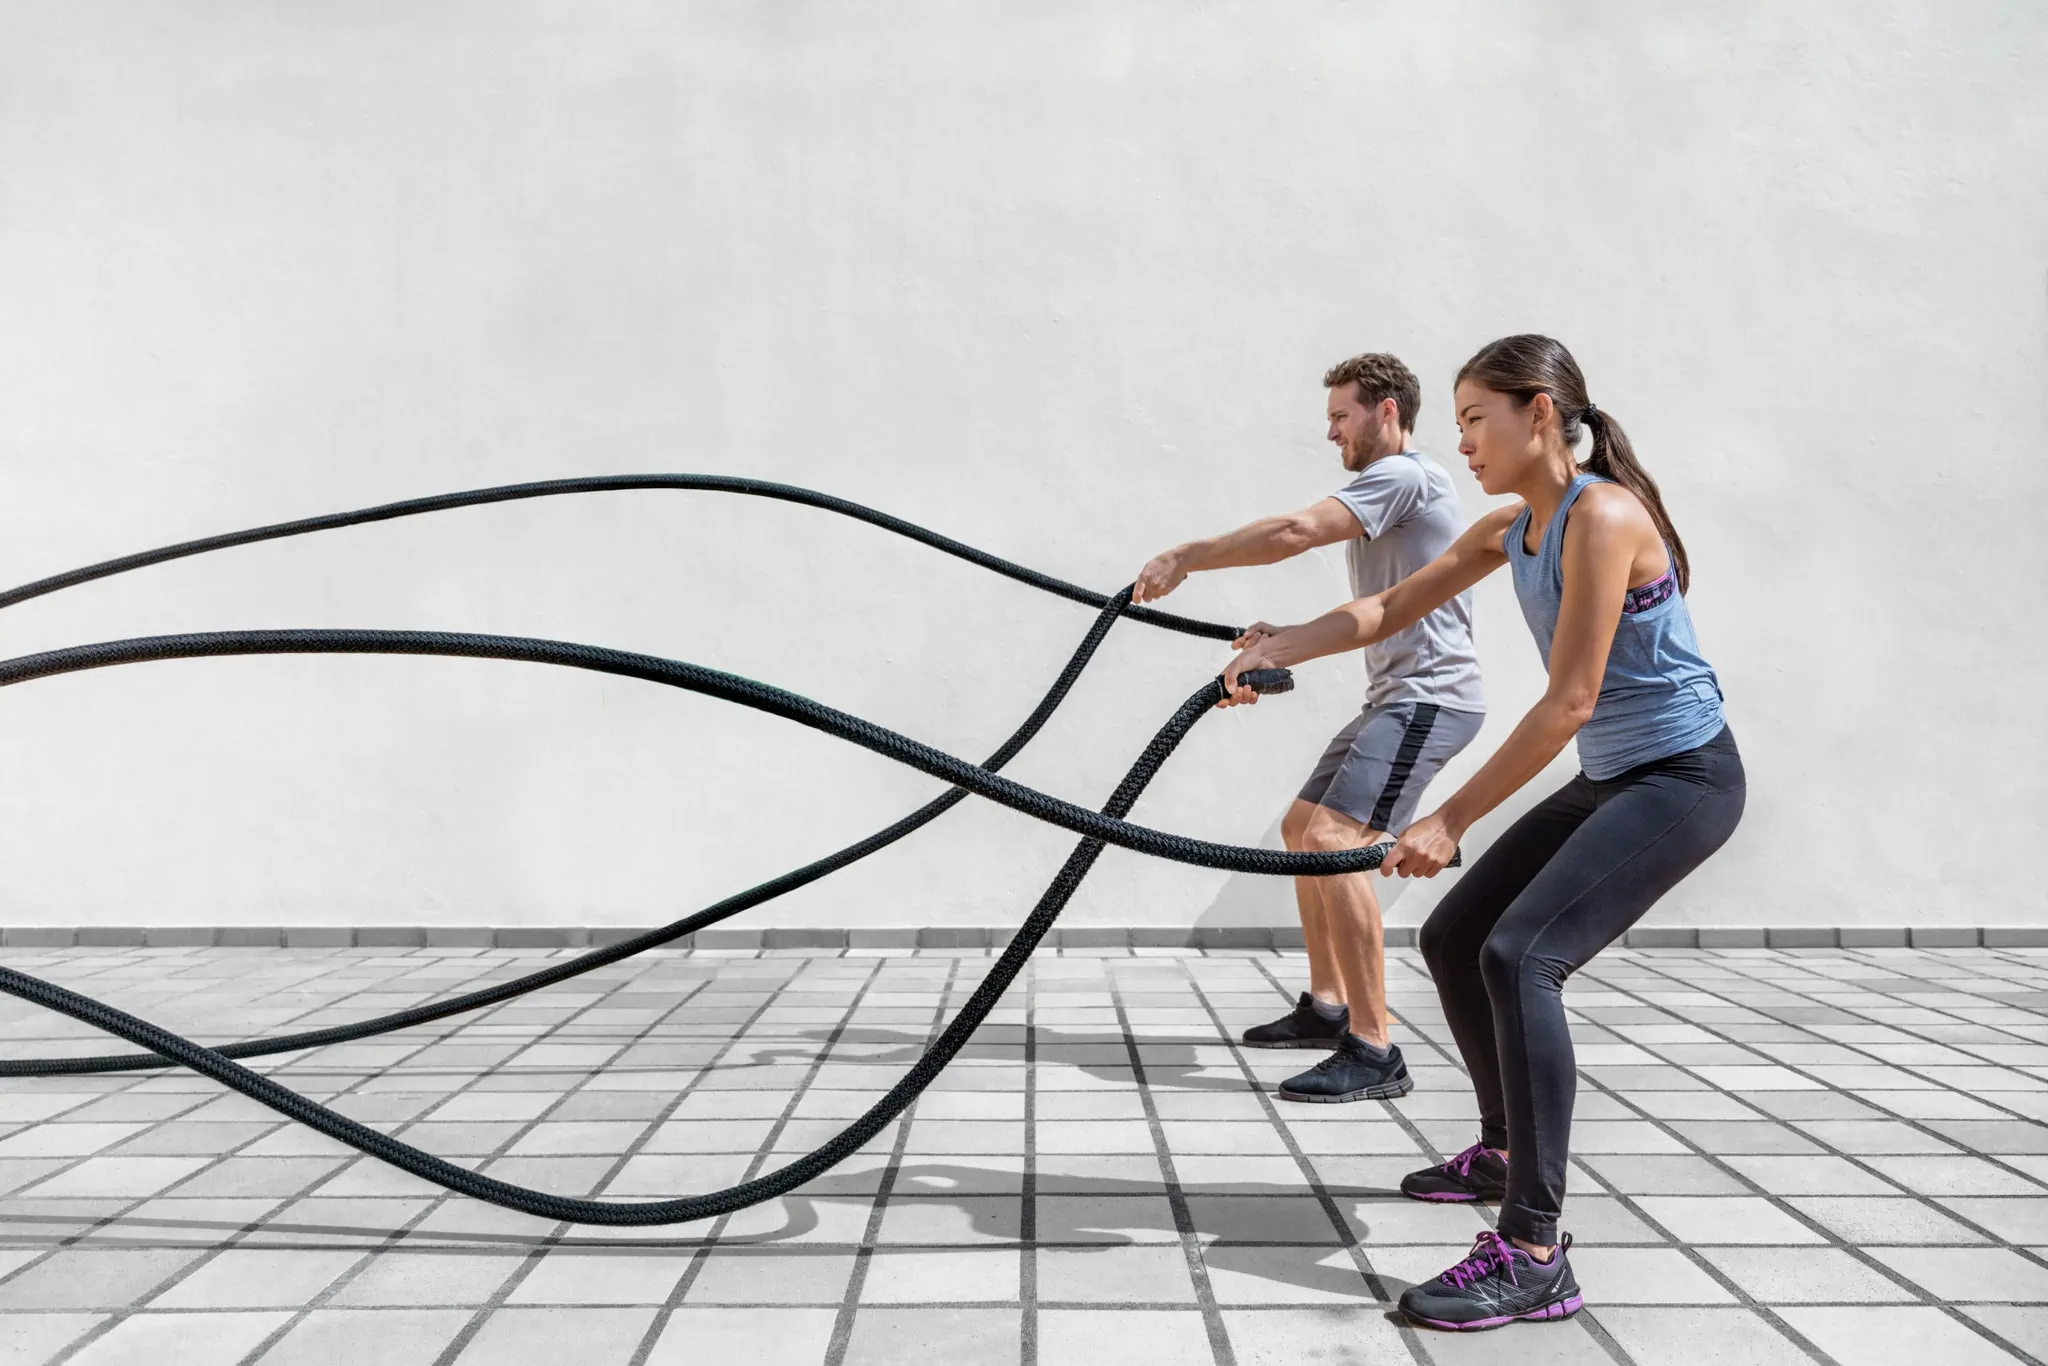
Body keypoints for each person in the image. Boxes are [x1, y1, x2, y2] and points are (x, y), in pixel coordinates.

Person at [1219, 334, 1745, 1329]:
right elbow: (1384, 606)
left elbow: (1569, 702)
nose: (1461, 440)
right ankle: (1500, 1148)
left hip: (1681, 780)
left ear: (1537, 412)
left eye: (1474, 418)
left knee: (1519, 955)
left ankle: (1533, 1247)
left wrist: (1447, 816)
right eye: (1457, 420)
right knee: (1454, 935)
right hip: (1613, 779)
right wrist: (1276, 645)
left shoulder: (1601, 517)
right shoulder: (1516, 526)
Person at [1134, 352, 1484, 1103]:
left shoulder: (1405, 475)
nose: (1330, 432)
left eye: (1340, 416)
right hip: (1398, 692)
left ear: (1386, 411)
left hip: (1431, 698)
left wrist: (1188, 556)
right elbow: (1382, 612)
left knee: (1334, 842)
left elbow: (1296, 531)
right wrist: (1283, 635)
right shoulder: (1391, 496)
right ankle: (1329, 1008)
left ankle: (1374, 1044)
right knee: (1303, 829)